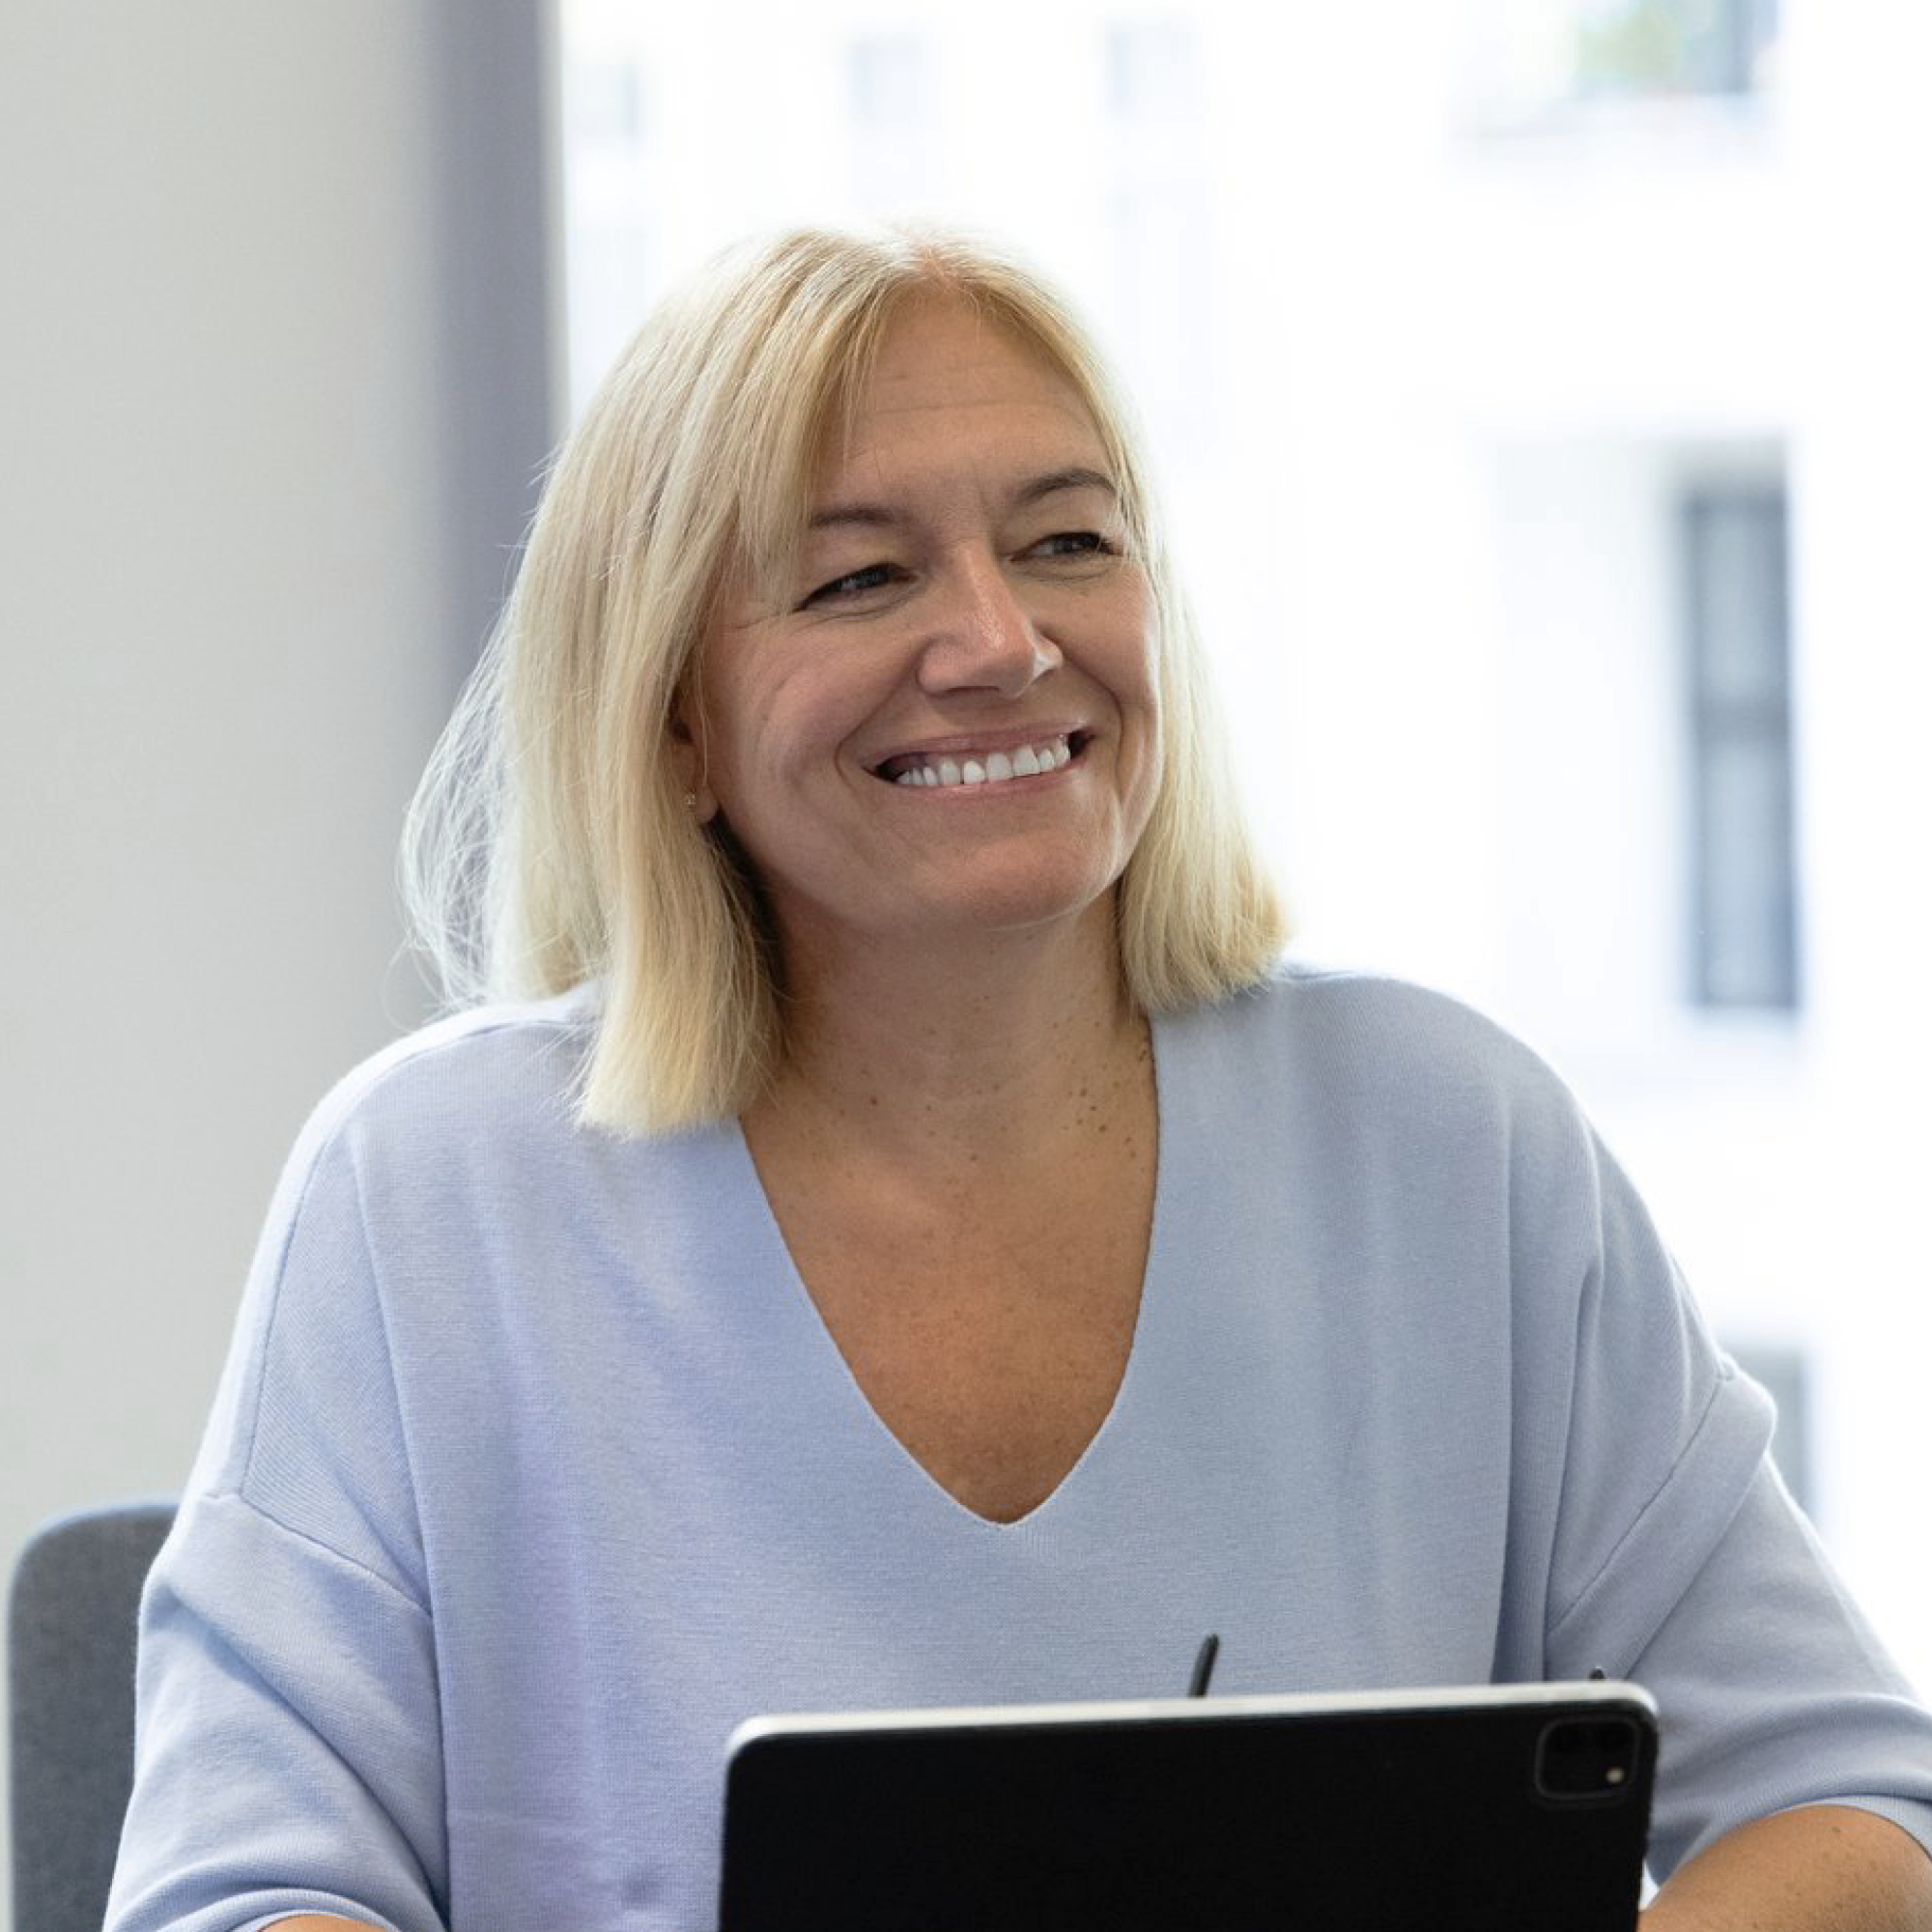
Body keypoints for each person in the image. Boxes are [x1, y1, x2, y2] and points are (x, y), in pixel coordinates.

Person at [107, 226, 1932, 1932]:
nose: (998, 640)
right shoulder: (434, 1195)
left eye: (1068, 542)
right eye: (861, 574)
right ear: (672, 720)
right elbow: (237, 1889)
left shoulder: (1452, 1145)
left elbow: (1856, 1801)